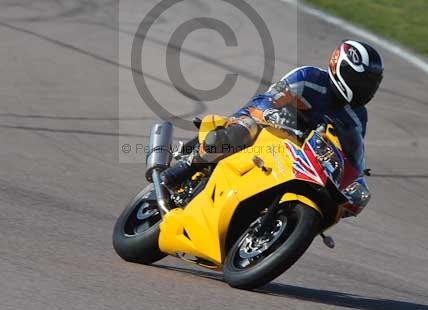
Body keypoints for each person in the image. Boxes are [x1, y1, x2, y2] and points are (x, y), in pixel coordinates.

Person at [161, 39, 384, 217]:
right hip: (268, 124)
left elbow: (349, 149)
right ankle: (186, 168)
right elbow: (272, 97)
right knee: (244, 129)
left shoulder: (358, 116)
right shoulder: (309, 77)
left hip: (301, 155)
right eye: (361, 82)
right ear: (340, 68)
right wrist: (270, 113)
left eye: (371, 85)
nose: (365, 90)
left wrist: (353, 178)